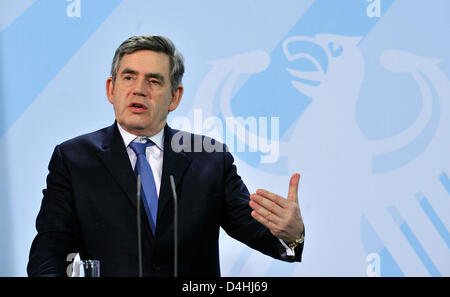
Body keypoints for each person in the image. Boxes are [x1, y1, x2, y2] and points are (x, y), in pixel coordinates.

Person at [27, 35, 305, 277]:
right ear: (112, 89)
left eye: (154, 81)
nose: (139, 89)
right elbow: (50, 251)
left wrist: (292, 234)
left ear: (174, 97)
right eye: (129, 77)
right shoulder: (74, 159)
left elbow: (260, 233)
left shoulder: (209, 159)